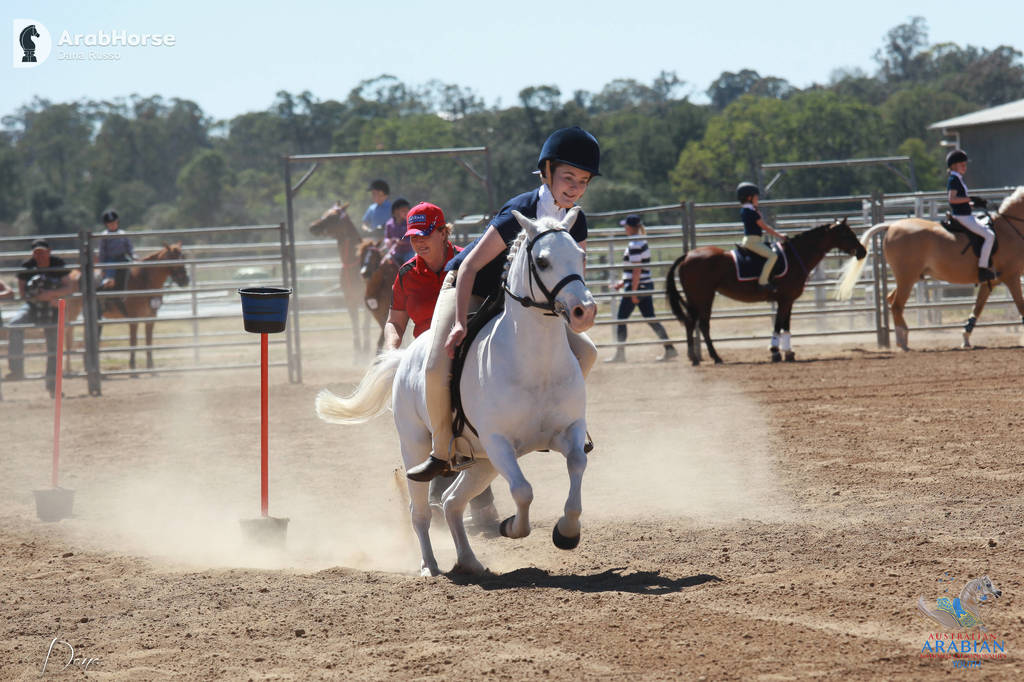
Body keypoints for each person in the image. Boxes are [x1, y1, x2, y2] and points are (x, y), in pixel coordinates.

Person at [407, 126, 600, 482]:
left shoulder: (577, 220)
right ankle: (441, 449)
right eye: (568, 177)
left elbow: (575, 273)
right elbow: (469, 266)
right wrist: (462, 324)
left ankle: (565, 420)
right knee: (435, 365)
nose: (575, 187)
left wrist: (578, 308)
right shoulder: (520, 210)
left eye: (583, 180)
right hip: (472, 287)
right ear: (547, 172)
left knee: (587, 353)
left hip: (526, 301)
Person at [382, 202, 499, 529]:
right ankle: (469, 503)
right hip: (425, 362)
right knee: (431, 426)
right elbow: (395, 321)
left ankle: (460, 501)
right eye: (412, 236)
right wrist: (392, 350)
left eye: (424, 235)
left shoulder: (469, 263)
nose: (418, 242)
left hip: (467, 359)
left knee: (461, 425)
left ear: (443, 232)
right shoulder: (406, 274)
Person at [4, 239, 74, 397]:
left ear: (49, 251)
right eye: (36, 253)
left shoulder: (58, 264)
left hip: (53, 308)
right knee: (15, 324)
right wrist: (37, 297)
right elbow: (22, 292)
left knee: (53, 346)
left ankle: (52, 384)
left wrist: (50, 295)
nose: (39, 256)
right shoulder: (27, 266)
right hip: (33, 307)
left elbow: (69, 286)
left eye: (42, 252)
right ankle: (16, 369)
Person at [605, 215, 678, 363]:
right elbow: (635, 270)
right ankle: (670, 349)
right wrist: (622, 283)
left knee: (621, 320)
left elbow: (637, 269)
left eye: (626, 226)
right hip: (644, 285)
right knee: (650, 318)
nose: (624, 228)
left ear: (631, 227)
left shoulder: (634, 244)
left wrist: (633, 290)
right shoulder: (640, 241)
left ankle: (620, 354)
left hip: (638, 287)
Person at [946, 149, 996, 282]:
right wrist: (969, 199)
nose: (965, 167)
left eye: (965, 164)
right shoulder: (953, 179)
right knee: (990, 236)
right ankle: (982, 269)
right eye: (962, 164)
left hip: (966, 214)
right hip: (962, 217)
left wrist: (975, 203)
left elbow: (961, 201)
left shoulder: (958, 178)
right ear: (954, 165)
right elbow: (952, 199)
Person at [736, 182, 787, 291]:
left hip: (750, 240)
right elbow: (765, 227)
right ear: (749, 197)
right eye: (756, 197)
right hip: (753, 242)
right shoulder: (751, 212)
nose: (758, 199)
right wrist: (780, 236)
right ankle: (763, 281)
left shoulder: (747, 210)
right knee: (773, 256)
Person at [97, 209, 134, 316]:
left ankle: (125, 293)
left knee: (129, 271)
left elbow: (129, 247)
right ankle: (107, 293)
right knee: (110, 276)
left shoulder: (122, 233)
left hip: (123, 258)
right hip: (111, 259)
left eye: (114, 223)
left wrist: (133, 256)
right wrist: (102, 267)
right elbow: (102, 252)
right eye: (110, 224)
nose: (112, 225)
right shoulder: (104, 235)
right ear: (106, 225)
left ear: (117, 222)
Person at [381, 197, 414, 266]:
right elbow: (387, 237)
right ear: (396, 211)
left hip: (407, 252)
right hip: (394, 252)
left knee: (409, 267)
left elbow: (413, 238)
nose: (406, 212)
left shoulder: (410, 223)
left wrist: (402, 242)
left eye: (407, 210)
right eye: (403, 211)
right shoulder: (389, 224)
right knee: (383, 264)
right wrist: (388, 241)